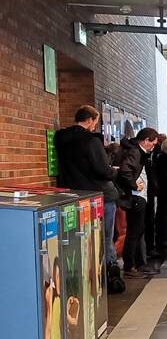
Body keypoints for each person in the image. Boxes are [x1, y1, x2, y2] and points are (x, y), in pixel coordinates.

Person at [53, 105, 122, 289]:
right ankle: (109, 277)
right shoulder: (91, 141)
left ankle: (82, 278)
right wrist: (113, 172)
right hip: (99, 195)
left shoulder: (61, 139)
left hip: (72, 196)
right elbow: (101, 169)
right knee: (105, 238)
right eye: (96, 122)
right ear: (90, 120)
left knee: (80, 239)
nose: (95, 126)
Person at [116, 127, 160, 279]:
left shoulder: (139, 152)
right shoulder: (135, 152)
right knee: (134, 232)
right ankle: (130, 265)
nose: (153, 147)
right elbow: (125, 171)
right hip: (135, 197)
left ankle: (139, 264)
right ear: (145, 140)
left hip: (139, 196)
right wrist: (135, 185)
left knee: (138, 231)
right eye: (152, 144)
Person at [153, 137, 167, 254]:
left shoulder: (159, 157)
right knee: (164, 215)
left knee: (162, 214)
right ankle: (163, 238)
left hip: (161, 191)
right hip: (166, 191)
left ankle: (163, 237)